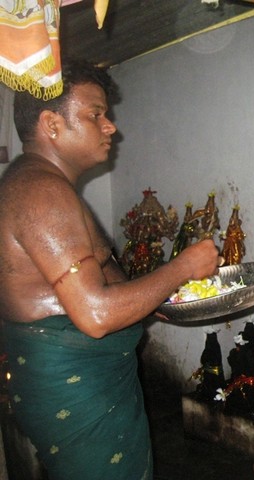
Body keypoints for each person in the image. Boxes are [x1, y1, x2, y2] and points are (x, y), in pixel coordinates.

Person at [0, 60, 220, 480]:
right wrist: (183, 267)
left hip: (86, 384)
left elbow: (101, 272)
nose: (110, 127)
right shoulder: (42, 191)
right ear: (51, 124)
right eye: (95, 114)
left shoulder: (46, 184)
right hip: (78, 388)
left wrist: (154, 298)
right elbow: (96, 314)